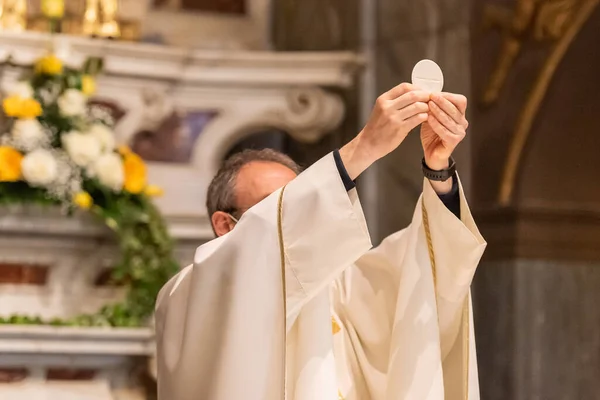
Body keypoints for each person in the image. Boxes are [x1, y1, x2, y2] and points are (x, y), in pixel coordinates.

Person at [155, 83, 487, 400]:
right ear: (226, 224)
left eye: (299, 201)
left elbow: (424, 275)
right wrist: (364, 147)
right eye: (278, 208)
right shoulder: (189, 293)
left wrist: (438, 170)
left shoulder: (339, 289)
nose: (300, 218)